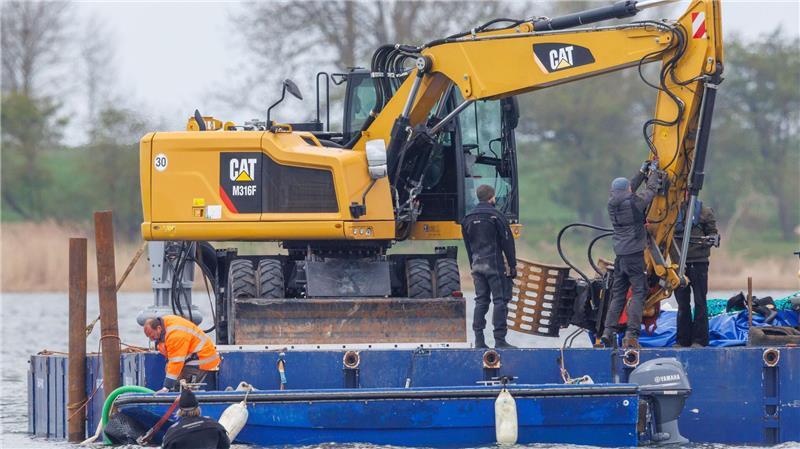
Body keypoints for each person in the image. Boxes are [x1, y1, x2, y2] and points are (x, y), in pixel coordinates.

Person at [601, 162, 660, 349]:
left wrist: (642, 172)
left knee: (618, 295)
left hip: (620, 257)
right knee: (638, 293)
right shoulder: (635, 204)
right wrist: (655, 173)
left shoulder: (612, 203)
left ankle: (607, 333)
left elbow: (628, 189)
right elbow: (651, 191)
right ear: (627, 189)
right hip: (635, 256)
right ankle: (631, 335)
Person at [462, 184, 517, 349]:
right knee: (500, 301)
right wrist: (512, 265)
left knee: (481, 301)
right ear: (491, 197)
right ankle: (500, 341)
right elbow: (508, 242)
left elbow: (468, 246)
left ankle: (479, 340)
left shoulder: (467, 219)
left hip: (477, 265)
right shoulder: (497, 216)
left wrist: (473, 263)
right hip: (494, 265)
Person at [673, 199, 718, 347]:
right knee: (682, 304)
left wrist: (710, 240)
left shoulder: (705, 212)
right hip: (678, 265)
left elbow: (713, 234)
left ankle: (700, 340)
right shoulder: (670, 211)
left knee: (700, 301)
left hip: (699, 263)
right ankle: (682, 340)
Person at [143, 315, 221, 392]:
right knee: (177, 381)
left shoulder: (175, 335)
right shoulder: (165, 324)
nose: (152, 339)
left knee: (180, 386)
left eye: (152, 336)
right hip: (193, 357)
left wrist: (166, 387)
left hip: (202, 359)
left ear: (159, 328)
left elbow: (176, 362)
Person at [161, 388, 230, 449]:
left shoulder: (173, 432)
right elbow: (226, 445)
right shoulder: (214, 425)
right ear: (198, 408)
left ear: (180, 411)